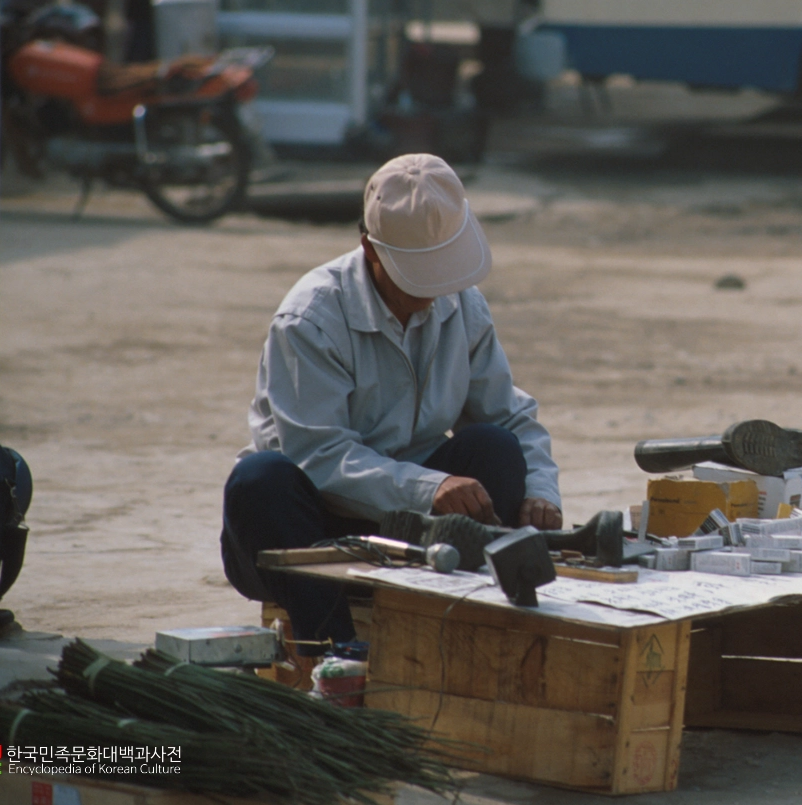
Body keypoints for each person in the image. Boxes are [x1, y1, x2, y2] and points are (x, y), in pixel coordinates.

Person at [220, 154, 562, 652]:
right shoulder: (311, 318)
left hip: (414, 527)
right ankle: (335, 652)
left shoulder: (462, 304)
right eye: (418, 273)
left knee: (496, 447)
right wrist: (429, 488)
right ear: (369, 250)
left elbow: (509, 415)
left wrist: (541, 493)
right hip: (312, 526)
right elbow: (319, 457)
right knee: (260, 480)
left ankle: (472, 634)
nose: (434, 289)